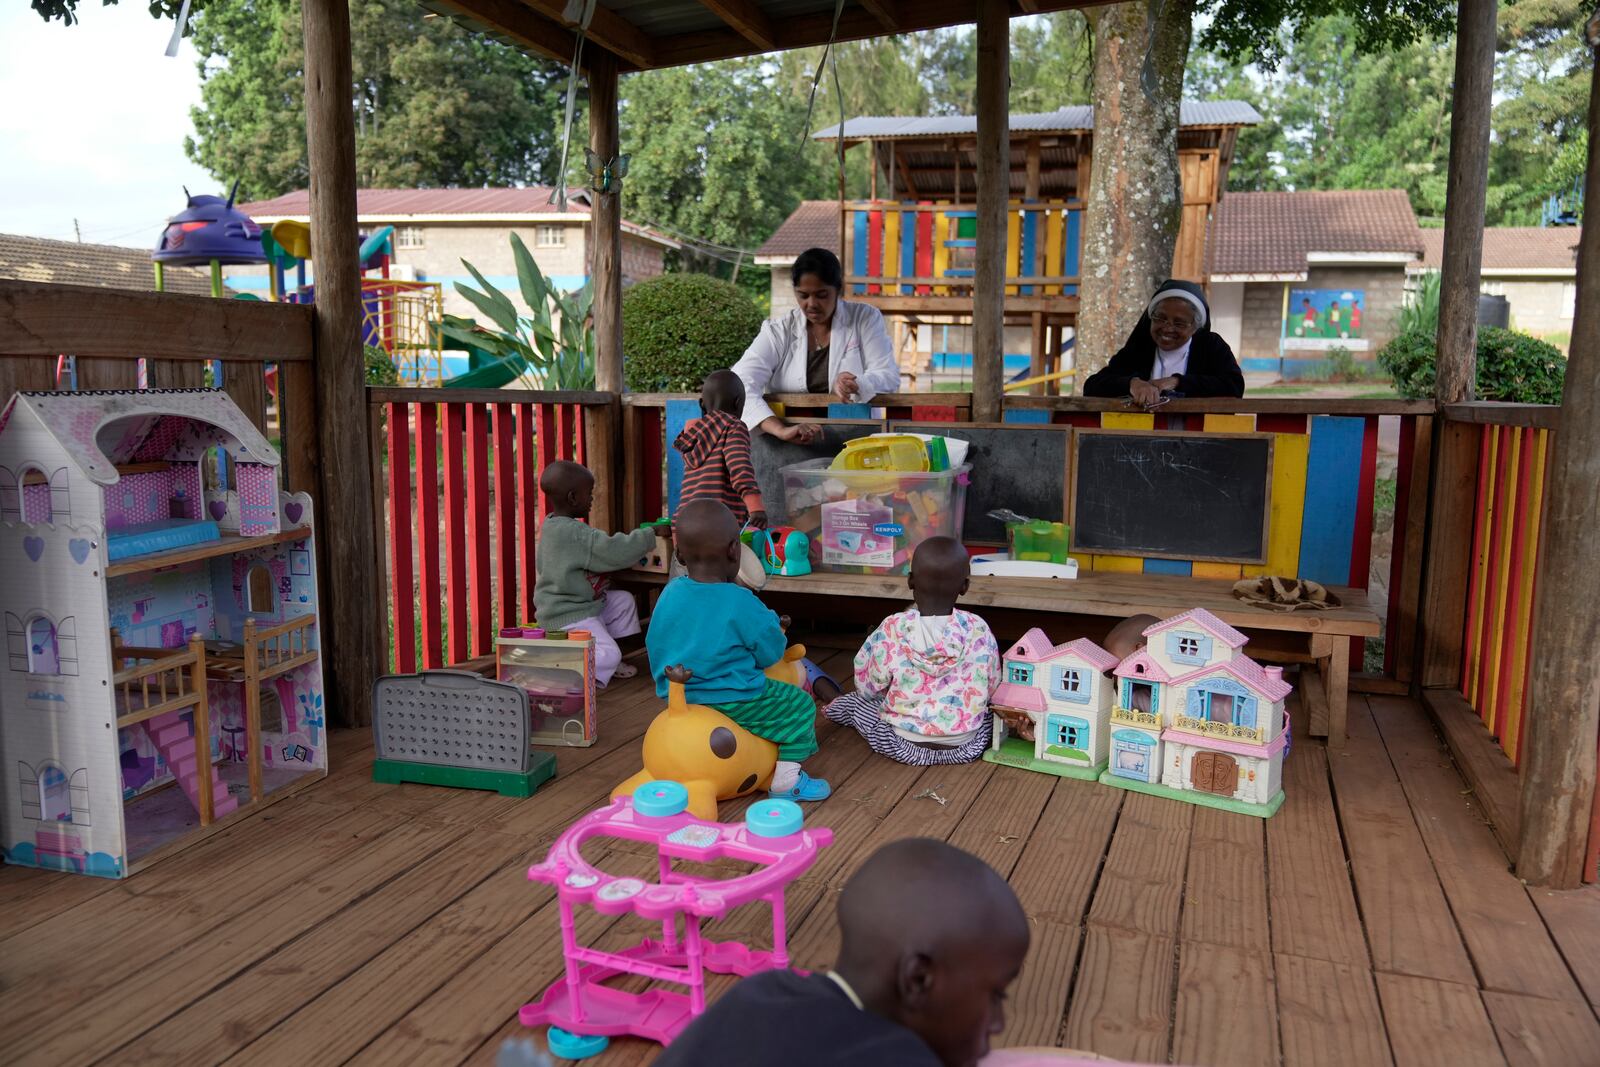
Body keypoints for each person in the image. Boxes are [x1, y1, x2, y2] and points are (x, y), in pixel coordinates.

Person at [654, 837, 1031, 1067]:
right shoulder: (895, 1059)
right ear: (918, 980)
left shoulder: (760, 992)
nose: (998, 1022)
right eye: (996, 994)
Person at [645, 499, 835, 801]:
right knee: (799, 706)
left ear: (679, 553)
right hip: (732, 696)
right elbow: (771, 654)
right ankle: (787, 782)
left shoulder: (670, 593)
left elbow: (657, 641)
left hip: (678, 695)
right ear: (735, 551)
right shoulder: (741, 601)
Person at [824, 538, 999, 766]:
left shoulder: (892, 627)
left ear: (910, 581)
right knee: (990, 717)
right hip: (966, 747)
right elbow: (993, 685)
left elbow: (867, 687)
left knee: (860, 705)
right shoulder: (978, 628)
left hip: (902, 744)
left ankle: (834, 706)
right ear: (965, 586)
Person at [732, 247, 902, 443]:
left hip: (854, 438)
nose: (811, 304)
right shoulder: (779, 330)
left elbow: (888, 376)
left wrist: (858, 383)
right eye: (803, 295)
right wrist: (779, 429)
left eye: (821, 295)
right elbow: (739, 383)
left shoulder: (864, 318)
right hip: (789, 440)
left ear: (839, 289)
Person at [532, 460, 659, 685]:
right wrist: (649, 535)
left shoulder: (554, 525)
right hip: (571, 614)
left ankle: (606, 663)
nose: (592, 498)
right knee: (610, 654)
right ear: (573, 498)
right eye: (589, 494)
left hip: (582, 604)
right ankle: (561, 667)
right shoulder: (575, 533)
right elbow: (614, 551)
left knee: (623, 601)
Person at [1082, 279, 1245, 408]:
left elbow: (1234, 386)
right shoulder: (1140, 347)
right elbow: (1092, 386)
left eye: (1179, 323)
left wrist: (1177, 382)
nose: (1167, 328)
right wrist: (1132, 384)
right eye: (1160, 318)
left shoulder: (1210, 346)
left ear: (1195, 328)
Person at [674, 370, 767, 528]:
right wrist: (755, 507)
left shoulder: (692, 436)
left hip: (683, 524)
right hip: (718, 524)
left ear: (702, 404)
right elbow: (739, 467)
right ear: (738, 403)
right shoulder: (733, 426)